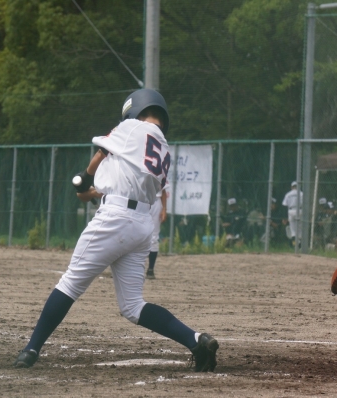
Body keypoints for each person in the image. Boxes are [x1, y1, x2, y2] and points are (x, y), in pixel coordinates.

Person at [13, 89, 219, 372]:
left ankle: (30, 350)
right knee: (132, 305)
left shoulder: (131, 126)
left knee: (70, 283)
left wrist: (85, 178)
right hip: (141, 225)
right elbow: (130, 180)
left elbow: (102, 150)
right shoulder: (164, 148)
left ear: (135, 110)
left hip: (115, 218)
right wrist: (94, 189)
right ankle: (196, 341)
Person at [146, 188, 167, 279]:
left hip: (155, 202)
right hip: (138, 201)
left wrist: (164, 209)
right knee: (133, 236)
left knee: (154, 237)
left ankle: (151, 269)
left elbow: (163, 190)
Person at [282, 181, 303, 248]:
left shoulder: (288, 194)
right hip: (299, 210)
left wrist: (285, 217)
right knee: (300, 228)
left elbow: (284, 205)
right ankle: (299, 244)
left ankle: (295, 245)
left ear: (291, 187)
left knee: (293, 229)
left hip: (291, 211)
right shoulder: (301, 193)